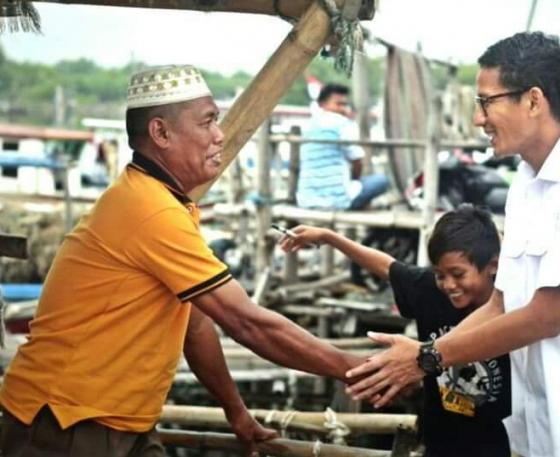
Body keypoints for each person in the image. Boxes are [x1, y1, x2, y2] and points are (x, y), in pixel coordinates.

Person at [0, 65, 363, 457]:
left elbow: (196, 326)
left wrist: (236, 411)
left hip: (122, 421)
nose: (219, 135)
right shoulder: (150, 209)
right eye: (207, 122)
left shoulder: (162, 202)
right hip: (63, 421)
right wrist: (359, 369)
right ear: (161, 133)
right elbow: (247, 322)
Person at [344, 32, 560, 457]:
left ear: (533, 101)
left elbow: (546, 317)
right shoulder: (526, 184)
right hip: (544, 425)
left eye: (486, 102)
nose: (478, 119)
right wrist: (422, 355)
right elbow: (501, 304)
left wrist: (427, 358)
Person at [279, 205, 510, 457]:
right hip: (440, 443)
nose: (449, 285)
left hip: (502, 446)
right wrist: (329, 237)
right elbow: (388, 267)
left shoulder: (515, 311)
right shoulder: (432, 292)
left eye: (458, 274)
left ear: (493, 266)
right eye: (440, 275)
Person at [296, 83, 388, 210]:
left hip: (306, 200)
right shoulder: (341, 123)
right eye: (338, 104)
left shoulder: (308, 125)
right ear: (322, 104)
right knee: (381, 180)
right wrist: (355, 179)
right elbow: (357, 162)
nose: (343, 109)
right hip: (336, 201)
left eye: (344, 104)